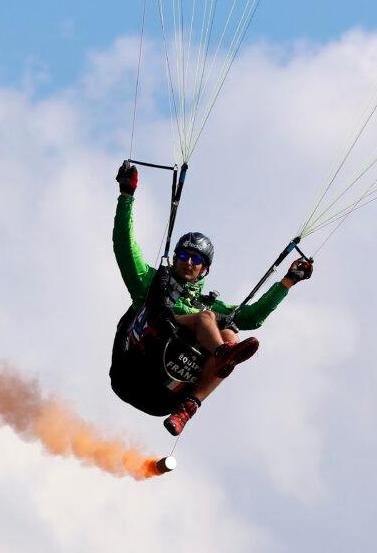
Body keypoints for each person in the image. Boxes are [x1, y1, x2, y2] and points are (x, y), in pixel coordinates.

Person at [110, 161, 313, 435]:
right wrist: (126, 195)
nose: (188, 262)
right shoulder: (151, 281)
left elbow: (252, 317)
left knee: (231, 333)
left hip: (165, 397)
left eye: (196, 259)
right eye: (183, 256)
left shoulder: (210, 305)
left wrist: (287, 282)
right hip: (133, 370)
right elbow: (125, 245)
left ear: (205, 269)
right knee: (209, 322)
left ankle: (189, 407)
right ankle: (222, 356)